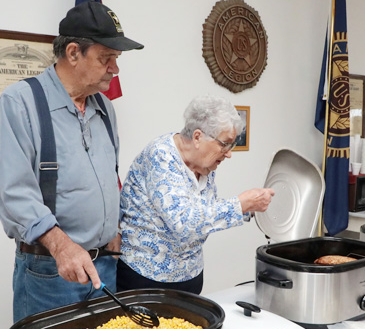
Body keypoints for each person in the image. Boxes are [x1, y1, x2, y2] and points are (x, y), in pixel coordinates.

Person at [0, 1, 143, 322]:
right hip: (51, 272)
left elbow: (109, 174)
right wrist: (63, 248)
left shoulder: (104, 107)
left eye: (116, 59)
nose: (115, 69)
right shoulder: (20, 102)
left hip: (105, 266)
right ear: (73, 53)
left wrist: (112, 228)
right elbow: (15, 194)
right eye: (106, 58)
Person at [117, 95, 275, 294]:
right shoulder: (161, 156)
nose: (229, 153)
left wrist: (250, 209)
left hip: (190, 275)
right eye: (224, 144)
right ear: (198, 137)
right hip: (147, 279)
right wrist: (240, 205)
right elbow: (183, 223)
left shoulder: (205, 165)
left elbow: (203, 210)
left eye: (232, 145)